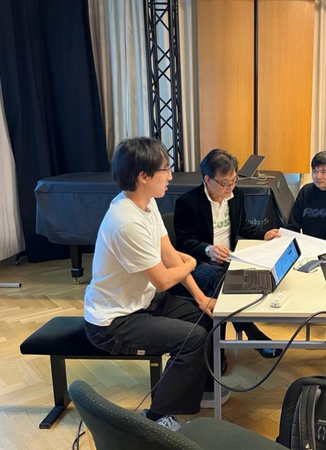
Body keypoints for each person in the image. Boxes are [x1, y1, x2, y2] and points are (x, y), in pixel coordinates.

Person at [84, 138, 229, 432]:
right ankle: (156, 418)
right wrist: (191, 264)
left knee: (207, 317)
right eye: (165, 169)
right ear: (143, 176)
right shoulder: (126, 221)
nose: (170, 176)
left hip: (145, 302)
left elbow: (169, 255)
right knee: (192, 338)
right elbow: (164, 278)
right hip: (114, 320)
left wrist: (201, 298)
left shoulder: (147, 205)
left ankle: (196, 392)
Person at [173, 149, 282, 358]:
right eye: (225, 183)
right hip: (199, 263)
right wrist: (208, 249)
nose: (230, 187)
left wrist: (264, 234)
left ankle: (228, 344)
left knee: (253, 274)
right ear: (207, 179)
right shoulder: (188, 202)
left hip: (228, 259)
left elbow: (243, 226)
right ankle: (244, 336)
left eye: (233, 181)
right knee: (221, 279)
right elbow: (184, 242)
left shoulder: (236, 195)